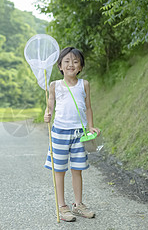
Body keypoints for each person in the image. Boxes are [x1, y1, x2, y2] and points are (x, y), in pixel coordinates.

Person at [44, 46, 100, 222]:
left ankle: (78, 205)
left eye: (75, 62)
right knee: (59, 171)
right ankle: (62, 207)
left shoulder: (85, 84)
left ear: (81, 66)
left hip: (80, 134)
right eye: (67, 61)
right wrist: (47, 114)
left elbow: (88, 107)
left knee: (77, 170)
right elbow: (50, 107)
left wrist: (90, 126)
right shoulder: (54, 86)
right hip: (59, 132)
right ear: (60, 66)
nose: (71, 65)